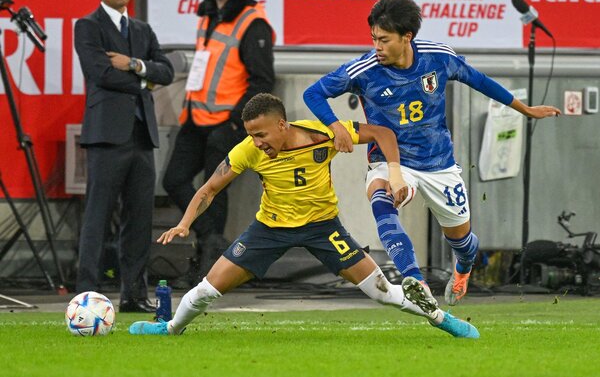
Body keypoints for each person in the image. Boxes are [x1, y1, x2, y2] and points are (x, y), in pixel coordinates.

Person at [129, 93, 479, 338]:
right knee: (207, 289)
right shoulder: (248, 150)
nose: (257, 142)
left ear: (282, 124)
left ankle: (441, 318)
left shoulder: (322, 133)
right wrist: (184, 223)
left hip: (323, 229)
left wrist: (395, 170)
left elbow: (383, 133)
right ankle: (171, 328)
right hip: (269, 229)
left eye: (262, 134)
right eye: (252, 135)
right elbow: (207, 190)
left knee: (383, 290)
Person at [303, 0, 561, 306]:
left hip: (439, 164)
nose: (377, 47)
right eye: (374, 38)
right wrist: (335, 125)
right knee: (381, 196)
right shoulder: (363, 70)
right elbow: (313, 93)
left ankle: (463, 268)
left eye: (384, 40)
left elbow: (479, 80)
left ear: (406, 37)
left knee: (463, 242)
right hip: (391, 159)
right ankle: (416, 280)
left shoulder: (438, 58)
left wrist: (525, 109)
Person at [162, 0, 275, 280]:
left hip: (227, 123)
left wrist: (236, 123)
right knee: (174, 180)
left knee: (216, 192)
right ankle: (212, 239)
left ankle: (208, 264)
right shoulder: (208, 13)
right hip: (196, 119)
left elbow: (262, 81)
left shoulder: (253, 22)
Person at [74, 0, 174, 312]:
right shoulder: (87, 27)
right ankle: (86, 296)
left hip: (142, 135)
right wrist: (145, 81)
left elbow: (167, 71)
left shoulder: (143, 30)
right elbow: (100, 73)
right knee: (97, 217)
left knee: (139, 219)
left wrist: (134, 65)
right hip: (106, 135)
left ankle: (133, 295)